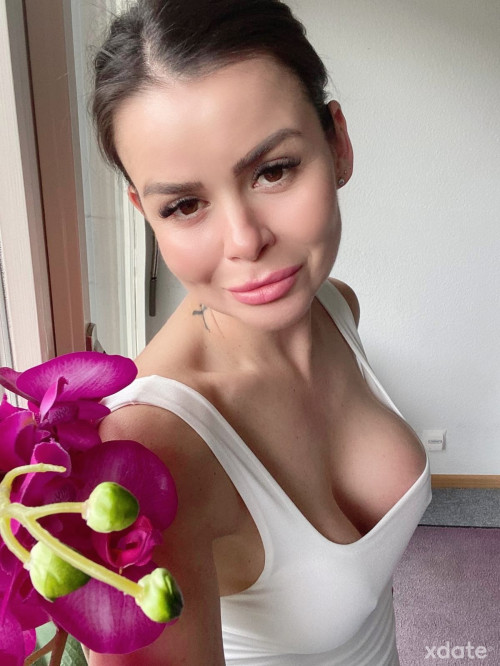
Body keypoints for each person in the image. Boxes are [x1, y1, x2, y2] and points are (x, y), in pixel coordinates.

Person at [89, 1, 431, 664]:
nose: (245, 241)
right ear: (145, 214)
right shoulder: (148, 455)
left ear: (337, 143)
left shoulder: (335, 308)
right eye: (185, 205)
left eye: (273, 170)